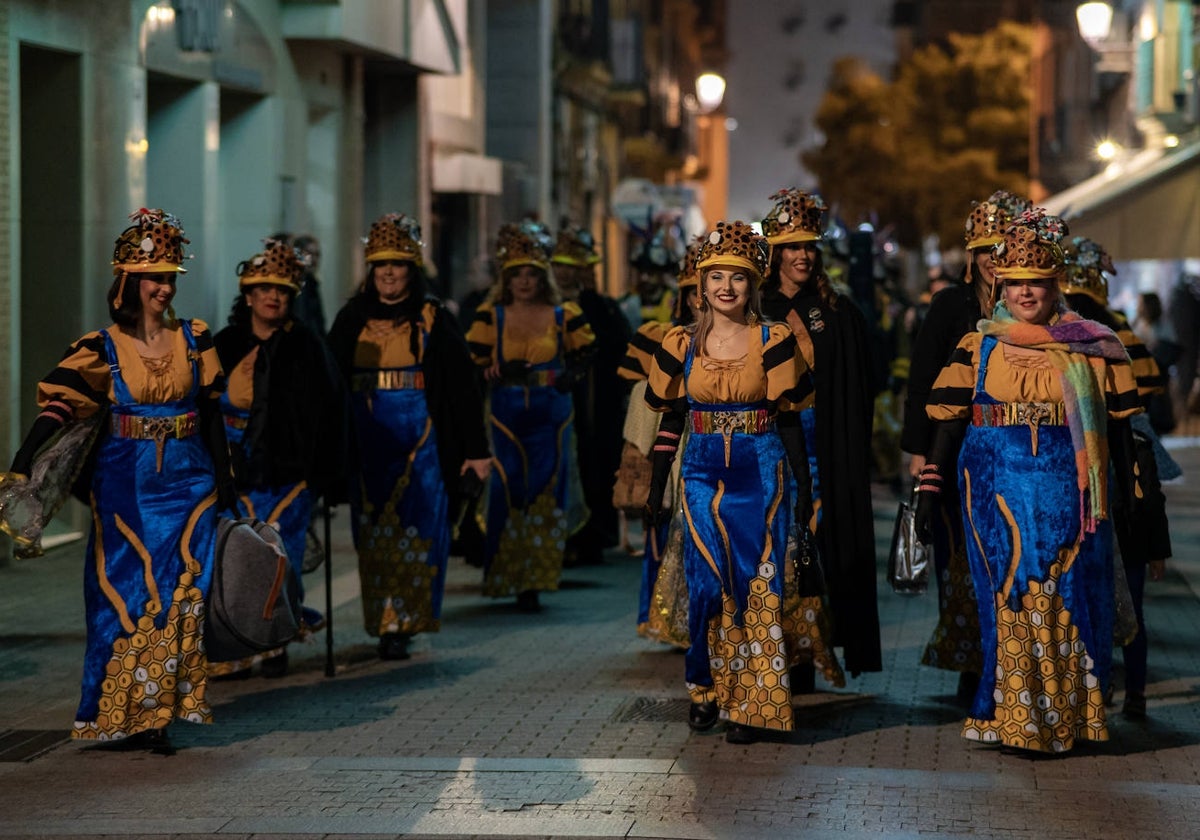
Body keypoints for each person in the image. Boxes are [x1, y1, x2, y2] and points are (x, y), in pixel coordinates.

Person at [1, 209, 230, 752]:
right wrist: (22, 458)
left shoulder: (196, 338)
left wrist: (229, 483)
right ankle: (122, 711)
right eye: (155, 277)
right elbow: (60, 408)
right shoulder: (99, 346)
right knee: (124, 593)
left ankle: (158, 714)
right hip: (125, 483)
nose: (165, 287)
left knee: (183, 593)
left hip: (191, 480)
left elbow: (213, 413)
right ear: (129, 281)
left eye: (172, 276)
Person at [916, 210, 1141, 753]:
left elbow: (1123, 429)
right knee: (1010, 592)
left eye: (1035, 284)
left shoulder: (1093, 344)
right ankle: (1012, 715)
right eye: (1014, 283)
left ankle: (1067, 716)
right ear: (1000, 285)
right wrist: (928, 488)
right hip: (992, 486)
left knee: (1062, 590)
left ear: (1054, 285)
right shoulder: (977, 345)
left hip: (1069, 487)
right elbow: (946, 422)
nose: (1024, 293)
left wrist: (1135, 494)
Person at [645, 220, 817, 745]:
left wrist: (806, 488)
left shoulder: (775, 340)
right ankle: (704, 687)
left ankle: (751, 702)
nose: (726, 287)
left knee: (757, 583)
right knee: (705, 585)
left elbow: (790, 419)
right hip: (699, 473)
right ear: (701, 285)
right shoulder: (678, 343)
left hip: (761, 471)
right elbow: (670, 417)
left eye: (737, 277)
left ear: (753, 285)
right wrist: (656, 487)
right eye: (716, 276)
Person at [328, 213, 490, 661]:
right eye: (380, 266)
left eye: (397, 265)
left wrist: (476, 450)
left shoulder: (434, 318)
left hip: (423, 443)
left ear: (411, 268)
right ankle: (383, 620)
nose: (388, 274)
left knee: (419, 531)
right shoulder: (350, 319)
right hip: (368, 443)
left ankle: (405, 621)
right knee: (375, 534)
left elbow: (462, 388)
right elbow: (328, 383)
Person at [901, 190, 1030, 700]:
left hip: (1017, 451)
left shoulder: (1031, 307)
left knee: (1013, 553)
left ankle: (1009, 659)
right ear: (970, 256)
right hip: (952, 446)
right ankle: (970, 660)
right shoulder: (949, 305)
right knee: (958, 554)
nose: (995, 259)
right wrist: (918, 450)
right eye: (986, 249)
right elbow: (921, 380)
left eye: (1004, 248)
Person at [759, 188, 881, 680]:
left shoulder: (838, 311)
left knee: (817, 547)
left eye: (809, 246)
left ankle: (809, 654)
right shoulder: (754, 307)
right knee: (773, 547)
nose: (802, 255)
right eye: (792, 246)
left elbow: (859, 388)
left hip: (822, 448)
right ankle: (773, 655)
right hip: (767, 446)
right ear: (775, 253)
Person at [211, 239, 345, 678]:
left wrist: (328, 474)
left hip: (290, 474)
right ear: (248, 295)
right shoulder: (224, 345)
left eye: (282, 291)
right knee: (237, 558)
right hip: (237, 471)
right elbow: (203, 409)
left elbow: (330, 412)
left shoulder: (308, 347)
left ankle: (276, 641)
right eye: (264, 289)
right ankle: (238, 643)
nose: (273, 297)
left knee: (278, 552)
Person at [1061, 236, 1173, 719]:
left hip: (1076, 474)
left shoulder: (1058, 331)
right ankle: (1135, 693)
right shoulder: (1120, 330)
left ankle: (1090, 688)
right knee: (1131, 596)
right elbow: (1150, 386)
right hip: (1128, 480)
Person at [466, 221, 596, 611]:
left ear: (543, 277)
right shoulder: (491, 315)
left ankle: (536, 579)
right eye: (517, 274)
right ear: (506, 278)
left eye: (531, 274)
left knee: (545, 489)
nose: (524, 282)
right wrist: (487, 369)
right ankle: (506, 573)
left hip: (551, 412)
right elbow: (472, 360)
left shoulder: (563, 313)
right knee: (508, 489)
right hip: (506, 411)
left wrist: (568, 378)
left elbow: (588, 351)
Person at [618, 237, 702, 647]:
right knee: (670, 538)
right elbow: (642, 406)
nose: (703, 298)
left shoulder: (752, 340)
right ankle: (672, 622)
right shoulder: (658, 340)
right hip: (672, 457)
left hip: (725, 456)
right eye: (694, 291)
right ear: (683, 296)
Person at [552, 223, 632, 565]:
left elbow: (616, 352)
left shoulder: (602, 308)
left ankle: (589, 537)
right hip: (554, 400)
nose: (568, 274)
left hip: (594, 404)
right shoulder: (544, 305)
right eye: (561, 268)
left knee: (592, 463)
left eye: (575, 268)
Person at [291, 234, 327, 338]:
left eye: (317, 255)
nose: (314, 259)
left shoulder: (311, 283)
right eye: (309, 254)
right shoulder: (299, 284)